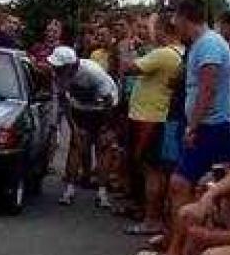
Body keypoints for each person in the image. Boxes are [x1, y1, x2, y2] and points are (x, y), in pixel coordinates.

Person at [157, 0, 230, 255]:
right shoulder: (204, 43)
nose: (174, 23)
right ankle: (184, 245)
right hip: (213, 124)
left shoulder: (209, 44)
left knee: (180, 184)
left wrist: (193, 125)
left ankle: (178, 251)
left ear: (186, 17)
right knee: (198, 186)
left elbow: (208, 88)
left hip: (213, 126)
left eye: (176, 17)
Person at [122, 15, 183, 236]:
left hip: (148, 118)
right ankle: (153, 214)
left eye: (153, 28)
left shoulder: (164, 53)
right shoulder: (180, 52)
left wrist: (129, 42)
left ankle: (152, 219)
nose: (150, 32)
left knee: (151, 170)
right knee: (159, 170)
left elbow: (127, 67)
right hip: (160, 117)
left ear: (162, 30)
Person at [48, 45, 119, 207]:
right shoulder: (58, 75)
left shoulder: (93, 73)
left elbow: (109, 100)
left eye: (59, 67)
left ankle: (102, 192)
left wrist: (106, 127)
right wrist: (73, 127)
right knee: (76, 145)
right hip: (81, 108)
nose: (55, 70)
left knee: (103, 147)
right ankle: (69, 189)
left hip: (104, 108)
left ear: (70, 66)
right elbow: (64, 101)